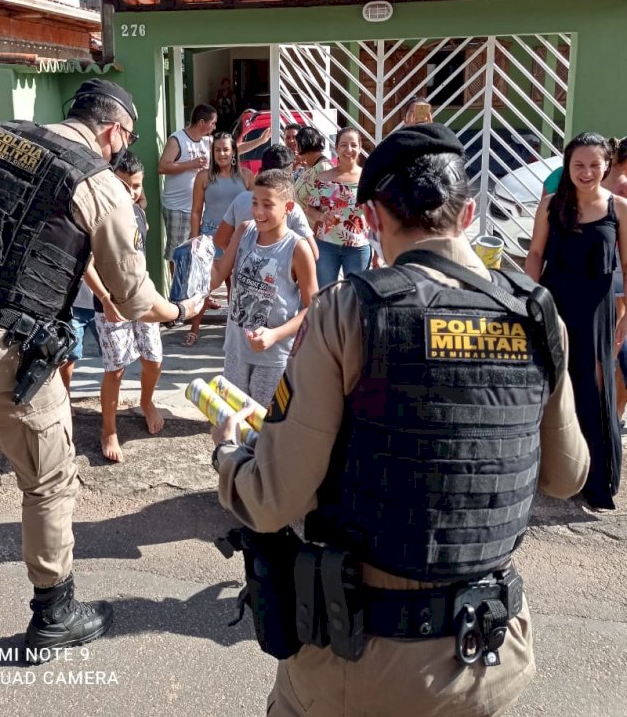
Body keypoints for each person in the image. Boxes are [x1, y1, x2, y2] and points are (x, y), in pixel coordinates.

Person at [212, 122, 589, 717]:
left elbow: (270, 499)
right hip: (489, 655)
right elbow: (568, 477)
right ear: (467, 217)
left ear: (371, 220)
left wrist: (230, 454)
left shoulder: (350, 310)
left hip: (360, 662)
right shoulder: (537, 316)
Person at [0, 78, 204, 665]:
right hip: (1, 348)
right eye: (123, 140)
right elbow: (135, 298)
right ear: (113, 131)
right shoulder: (97, 182)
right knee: (50, 483)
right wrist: (181, 310)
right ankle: (54, 613)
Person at [525, 131, 627, 510]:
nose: (586, 172)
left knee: (596, 388)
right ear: (567, 166)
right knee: (550, 383)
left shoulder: (619, 207)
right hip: (552, 304)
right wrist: (528, 300)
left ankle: (597, 478)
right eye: (578, 165)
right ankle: (543, 470)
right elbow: (535, 255)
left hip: (598, 310)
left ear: (607, 165)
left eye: (594, 165)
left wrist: (625, 316)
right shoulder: (552, 204)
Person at [211, 169, 317, 407]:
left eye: (268, 205)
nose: (258, 211)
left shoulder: (298, 249)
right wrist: (195, 264)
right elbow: (217, 276)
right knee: (234, 421)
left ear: (288, 208)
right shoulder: (244, 230)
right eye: (255, 202)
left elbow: (314, 307)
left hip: (273, 359)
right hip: (236, 351)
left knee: (266, 428)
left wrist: (274, 335)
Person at [87, 151, 166, 459]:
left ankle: (147, 402)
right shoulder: (99, 218)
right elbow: (87, 266)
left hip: (142, 298)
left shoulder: (139, 212)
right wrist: (106, 299)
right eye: (125, 185)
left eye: (136, 186)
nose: (132, 193)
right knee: (116, 369)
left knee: (153, 359)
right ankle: (109, 430)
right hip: (110, 304)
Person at [184, 132, 254, 347]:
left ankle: (233, 332)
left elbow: (253, 210)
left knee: (236, 287)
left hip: (239, 238)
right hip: (209, 238)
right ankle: (194, 329)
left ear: (234, 151)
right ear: (212, 152)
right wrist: (195, 238)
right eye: (217, 149)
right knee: (203, 286)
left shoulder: (247, 176)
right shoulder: (204, 177)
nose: (222, 153)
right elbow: (196, 210)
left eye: (226, 149)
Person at [213, 144, 319, 262]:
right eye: (256, 204)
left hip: (242, 273)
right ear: (290, 176)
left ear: (260, 171)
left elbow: (220, 240)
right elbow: (313, 254)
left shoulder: (241, 199)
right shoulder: (292, 208)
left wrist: (240, 259)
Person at [300, 127, 370, 287]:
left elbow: (377, 213)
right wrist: (320, 217)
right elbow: (310, 208)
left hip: (358, 248)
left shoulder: (368, 178)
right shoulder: (323, 178)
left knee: (356, 297)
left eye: (353, 145)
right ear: (336, 148)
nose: (349, 150)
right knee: (324, 294)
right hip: (326, 246)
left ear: (360, 148)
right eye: (344, 145)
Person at [158, 104, 218, 273]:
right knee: (177, 253)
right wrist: (190, 164)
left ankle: (196, 294)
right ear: (201, 122)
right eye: (212, 123)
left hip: (200, 209)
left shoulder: (208, 141)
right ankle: (177, 295)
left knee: (200, 252)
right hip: (178, 208)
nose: (214, 127)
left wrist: (259, 141)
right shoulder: (177, 139)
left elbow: (230, 150)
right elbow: (162, 167)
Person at [602, 137, 627, 422]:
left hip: (604, 270)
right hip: (621, 271)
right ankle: (616, 410)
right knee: (620, 341)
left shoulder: (602, 181)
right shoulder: (624, 186)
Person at [58, 279, 100, 393]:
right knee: (69, 354)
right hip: (73, 306)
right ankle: (65, 399)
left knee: (113, 356)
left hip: (104, 306)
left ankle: (111, 399)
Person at [294, 125, 332, 215]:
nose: (295, 149)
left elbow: (327, 206)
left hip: (313, 227)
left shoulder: (324, 169)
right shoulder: (309, 167)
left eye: (296, 145)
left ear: (303, 144)